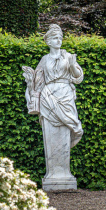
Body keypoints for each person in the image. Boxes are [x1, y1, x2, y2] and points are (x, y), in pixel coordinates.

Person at [22, 24, 84, 190]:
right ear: (48, 41)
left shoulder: (68, 56)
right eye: (55, 38)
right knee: (50, 135)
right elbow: (37, 83)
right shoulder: (44, 59)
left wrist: (72, 65)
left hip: (65, 96)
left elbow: (78, 76)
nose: (58, 41)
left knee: (68, 130)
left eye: (60, 38)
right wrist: (30, 82)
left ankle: (65, 173)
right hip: (48, 98)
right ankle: (53, 175)